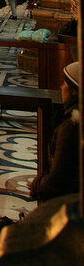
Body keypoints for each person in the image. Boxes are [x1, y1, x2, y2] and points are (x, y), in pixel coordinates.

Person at [28, 61, 80, 202]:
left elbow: (58, 180)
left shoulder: (71, 128)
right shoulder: (69, 120)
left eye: (65, 84)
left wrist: (37, 185)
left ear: (74, 91)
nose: (61, 87)